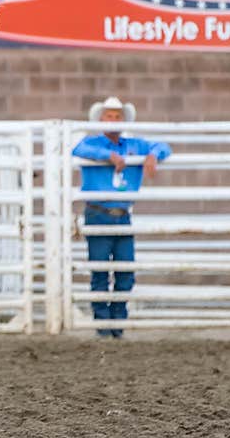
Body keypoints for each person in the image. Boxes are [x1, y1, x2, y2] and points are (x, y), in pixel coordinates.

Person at [72, 96, 172, 339]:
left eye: (117, 116)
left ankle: (117, 321)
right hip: (98, 212)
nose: (113, 120)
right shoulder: (92, 143)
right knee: (100, 270)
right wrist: (108, 155)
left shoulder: (134, 145)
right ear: (100, 119)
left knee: (125, 271)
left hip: (122, 214)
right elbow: (79, 149)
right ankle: (104, 324)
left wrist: (153, 156)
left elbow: (164, 146)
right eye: (109, 115)